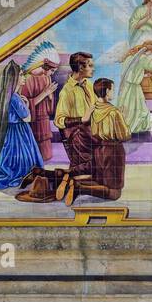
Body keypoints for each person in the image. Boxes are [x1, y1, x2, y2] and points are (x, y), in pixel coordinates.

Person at [0, 60, 43, 191]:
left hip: (12, 133)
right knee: (24, 162)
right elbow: (27, 118)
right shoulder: (15, 98)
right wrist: (27, 105)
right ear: (15, 78)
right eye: (22, 75)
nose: (24, 77)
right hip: (19, 134)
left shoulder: (9, 96)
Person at [53, 52, 97, 199]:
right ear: (80, 67)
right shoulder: (67, 91)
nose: (93, 69)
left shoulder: (89, 85)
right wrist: (81, 119)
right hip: (78, 139)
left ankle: (68, 179)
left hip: (92, 134)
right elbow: (58, 120)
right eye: (90, 66)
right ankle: (71, 180)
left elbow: (96, 107)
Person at [83, 78, 131, 200]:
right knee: (115, 193)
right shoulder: (114, 112)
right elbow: (124, 135)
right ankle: (79, 188)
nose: (113, 93)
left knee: (101, 182)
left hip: (98, 150)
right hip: (113, 150)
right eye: (112, 90)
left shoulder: (93, 109)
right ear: (107, 91)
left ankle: (78, 186)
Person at [16, 41, 59, 161]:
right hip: (32, 123)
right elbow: (24, 107)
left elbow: (49, 108)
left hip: (44, 122)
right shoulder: (26, 79)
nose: (53, 73)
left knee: (46, 156)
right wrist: (45, 93)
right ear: (45, 66)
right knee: (32, 159)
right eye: (53, 70)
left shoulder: (47, 78)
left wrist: (50, 97)